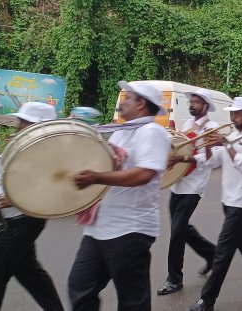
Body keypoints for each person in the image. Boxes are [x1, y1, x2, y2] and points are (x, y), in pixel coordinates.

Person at [68, 81, 170, 310]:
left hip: (129, 229)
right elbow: (106, 166)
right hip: (99, 228)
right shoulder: (120, 132)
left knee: (133, 300)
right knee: (79, 288)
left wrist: (97, 177)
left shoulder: (151, 131)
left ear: (141, 103)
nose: (122, 102)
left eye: (128, 98)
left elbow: (144, 173)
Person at [0, 102, 64, 311]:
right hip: (4, 220)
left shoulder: (51, 156)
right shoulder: (15, 147)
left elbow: (56, 192)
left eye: (24, 122)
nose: (18, 126)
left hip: (21, 222)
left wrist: (17, 198)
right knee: (31, 274)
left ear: (39, 127)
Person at [186, 97, 242, 311]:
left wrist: (226, 143)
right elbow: (213, 162)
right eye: (232, 112)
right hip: (227, 199)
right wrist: (211, 146)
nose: (233, 116)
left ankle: (207, 300)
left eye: (237, 113)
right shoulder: (231, 135)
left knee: (223, 252)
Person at [157, 88, 218, 296]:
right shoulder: (186, 125)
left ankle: (174, 279)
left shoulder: (212, 128)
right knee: (180, 227)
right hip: (178, 182)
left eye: (196, 102)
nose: (191, 105)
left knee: (176, 232)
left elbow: (208, 159)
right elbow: (180, 148)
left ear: (206, 106)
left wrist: (182, 159)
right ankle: (213, 254)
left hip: (193, 187)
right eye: (191, 102)